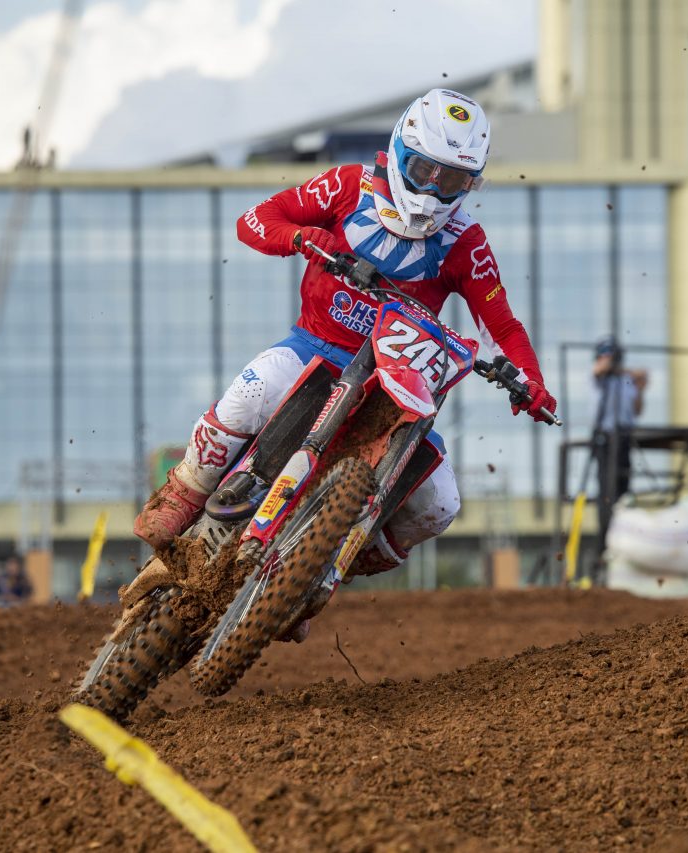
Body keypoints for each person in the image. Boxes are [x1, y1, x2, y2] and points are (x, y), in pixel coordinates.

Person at [133, 88, 556, 637]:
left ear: (470, 184)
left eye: (451, 180)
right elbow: (257, 219)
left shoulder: (464, 241)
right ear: (401, 152)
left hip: (393, 382)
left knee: (441, 504)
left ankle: (318, 566)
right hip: (314, 349)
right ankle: (184, 493)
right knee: (247, 397)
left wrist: (532, 382)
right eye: (425, 169)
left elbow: (501, 325)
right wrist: (300, 237)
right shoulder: (346, 186)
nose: (432, 190)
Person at [589, 335, 647, 568]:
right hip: (605, 438)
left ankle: (623, 544)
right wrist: (628, 371)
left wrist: (640, 387)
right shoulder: (601, 377)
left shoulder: (627, 381)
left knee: (623, 492)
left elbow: (637, 409)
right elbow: (599, 370)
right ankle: (604, 546)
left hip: (624, 438)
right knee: (606, 493)